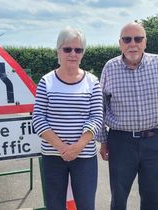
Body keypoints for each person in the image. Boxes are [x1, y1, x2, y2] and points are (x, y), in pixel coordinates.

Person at [98, 22, 158, 210]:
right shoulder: (110, 67)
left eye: (138, 39)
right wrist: (103, 141)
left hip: (155, 142)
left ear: (145, 42)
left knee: (153, 197)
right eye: (127, 39)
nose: (132, 44)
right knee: (119, 197)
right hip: (121, 143)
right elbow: (100, 106)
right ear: (120, 43)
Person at [32, 27, 103, 210]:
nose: (73, 54)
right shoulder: (46, 81)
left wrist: (77, 147)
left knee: (86, 205)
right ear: (58, 51)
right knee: (55, 205)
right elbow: (38, 118)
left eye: (78, 50)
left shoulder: (92, 82)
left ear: (82, 53)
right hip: (53, 155)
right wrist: (63, 148)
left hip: (84, 156)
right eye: (67, 49)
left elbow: (96, 117)